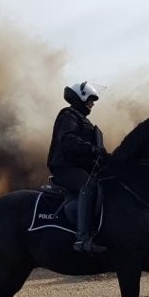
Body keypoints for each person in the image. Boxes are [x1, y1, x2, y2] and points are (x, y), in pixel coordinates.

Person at [46, 81, 109, 254]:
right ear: (80, 97)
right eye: (90, 99)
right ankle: (82, 240)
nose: (92, 103)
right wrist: (94, 150)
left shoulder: (83, 120)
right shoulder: (69, 115)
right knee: (88, 187)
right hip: (64, 168)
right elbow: (68, 140)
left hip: (80, 169)